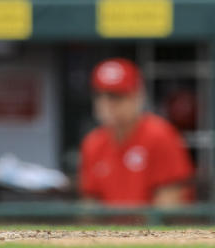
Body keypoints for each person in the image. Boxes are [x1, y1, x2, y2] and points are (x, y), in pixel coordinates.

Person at [79, 58, 194, 206]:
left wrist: (139, 230)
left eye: (116, 96)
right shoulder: (92, 143)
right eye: (100, 95)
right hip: (109, 228)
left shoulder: (160, 134)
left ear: (137, 96)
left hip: (150, 228)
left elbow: (170, 203)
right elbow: (90, 206)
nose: (106, 103)